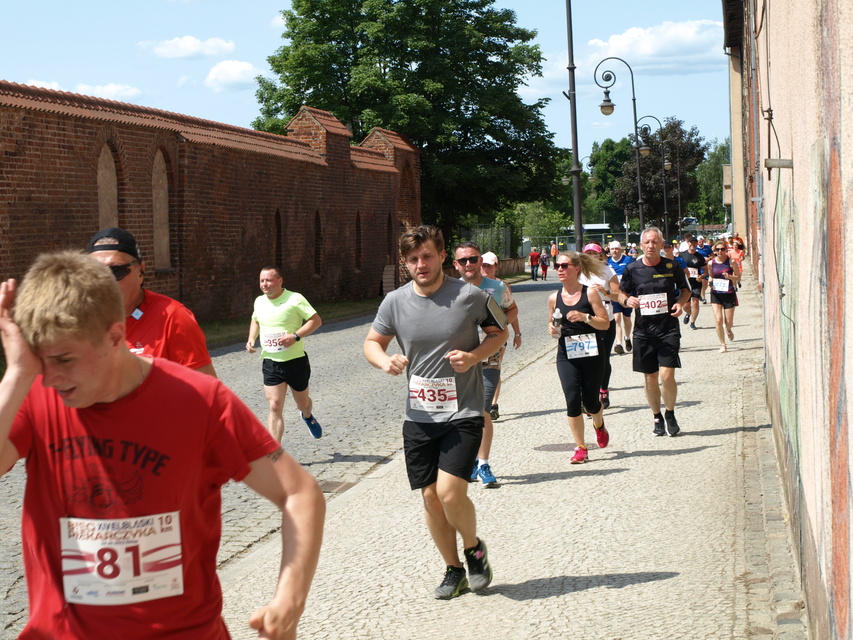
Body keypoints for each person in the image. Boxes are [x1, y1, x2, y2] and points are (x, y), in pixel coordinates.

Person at [0, 251, 325, 640]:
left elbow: (299, 493)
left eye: (65, 359)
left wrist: (289, 601)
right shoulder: (34, 394)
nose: (51, 379)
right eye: (40, 361)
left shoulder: (199, 399)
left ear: (115, 336)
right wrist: (18, 373)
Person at [364, 225, 506, 599]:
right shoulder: (394, 302)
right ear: (405, 263)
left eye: (427, 256)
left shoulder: (469, 296)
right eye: (413, 259)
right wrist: (384, 361)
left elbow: (499, 332)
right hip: (419, 416)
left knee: (449, 492)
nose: (420, 264)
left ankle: (474, 548)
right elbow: (372, 342)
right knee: (429, 498)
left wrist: (474, 356)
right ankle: (453, 569)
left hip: (463, 411)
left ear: (443, 256)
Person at [86, 228, 216, 377]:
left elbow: (205, 394)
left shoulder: (173, 318)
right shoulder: (77, 321)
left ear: (140, 271)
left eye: (116, 270)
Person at [454, 243, 519, 487]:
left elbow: (512, 308)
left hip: (490, 356)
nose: (468, 264)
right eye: (463, 261)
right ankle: (469, 459)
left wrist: (501, 326)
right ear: (456, 265)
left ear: (480, 261)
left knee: (482, 410)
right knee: (463, 412)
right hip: (461, 358)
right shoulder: (451, 290)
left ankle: (483, 463)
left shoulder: (497, 287)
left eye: (473, 259)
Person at [617, 227, 691, 437]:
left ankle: (670, 412)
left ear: (661, 244)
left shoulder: (672, 266)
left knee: (667, 376)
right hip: (643, 332)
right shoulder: (632, 269)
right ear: (641, 245)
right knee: (650, 378)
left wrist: (680, 303)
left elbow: (685, 290)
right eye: (647, 242)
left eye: (655, 242)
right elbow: (621, 294)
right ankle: (656, 415)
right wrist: (627, 300)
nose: (651, 246)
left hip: (668, 328)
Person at [247, 266, 323, 442]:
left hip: (296, 362)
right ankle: (275, 455)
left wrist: (295, 336)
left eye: (269, 280)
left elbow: (316, 321)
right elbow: (255, 320)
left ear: (280, 281)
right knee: (274, 405)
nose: (264, 284)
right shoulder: (259, 301)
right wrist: (251, 338)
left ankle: (308, 416)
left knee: (303, 403)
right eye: (262, 281)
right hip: (271, 362)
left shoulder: (295, 299)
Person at [548, 252, 611, 463]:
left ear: (576, 269)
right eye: (557, 265)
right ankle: (580, 447)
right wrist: (552, 329)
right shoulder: (553, 298)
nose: (559, 269)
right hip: (566, 354)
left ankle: (599, 423)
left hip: (592, 353)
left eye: (564, 265)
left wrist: (586, 317)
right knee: (572, 400)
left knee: (591, 404)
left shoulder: (590, 294)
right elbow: (552, 324)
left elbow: (605, 323)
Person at [480, 251, 522, 421]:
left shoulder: (501, 286)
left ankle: (492, 404)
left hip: (495, 337)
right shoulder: (467, 284)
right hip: (472, 338)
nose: (485, 268)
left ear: (496, 266)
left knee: (493, 369)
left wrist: (516, 333)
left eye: (489, 265)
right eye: (483, 264)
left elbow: (511, 310)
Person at [580, 243, 620, 409]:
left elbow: (618, 296)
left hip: (605, 318)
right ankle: (588, 396)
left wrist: (605, 292)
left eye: (594, 253)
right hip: (584, 318)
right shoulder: (578, 272)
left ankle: (603, 389)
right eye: (587, 253)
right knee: (585, 359)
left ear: (600, 255)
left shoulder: (608, 271)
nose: (591, 256)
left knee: (602, 358)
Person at [708, 241, 741, 352]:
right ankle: (723, 344)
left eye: (722, 249)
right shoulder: (711, 263)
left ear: (726, 250)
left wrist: (729, 276)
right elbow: (711, 276)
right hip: (716, 294)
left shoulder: (731, 262)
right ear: (715, 251)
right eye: (717, 249)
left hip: (729, 294)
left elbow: (738, 277)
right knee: (718, 320)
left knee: (729, 320)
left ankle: (728, 328)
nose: (720, 251)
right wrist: (710, 282)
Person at [606, 240, 635, 355]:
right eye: (612, 249)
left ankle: (627, 337)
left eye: (616, 249)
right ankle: (619, 344)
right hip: (615, 295)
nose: (614, 251)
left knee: (626, 318)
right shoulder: (608, 262)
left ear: (620, 250)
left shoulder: (628, 261)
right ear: (609, 250)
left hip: (627, 294)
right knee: (617, 318)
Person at [680, 237, 707, 330]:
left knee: (695, 302)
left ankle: (693, 322)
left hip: (696, 282)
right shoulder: (682, 255)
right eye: (691, 243)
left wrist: (702, 276)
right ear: (688, 243)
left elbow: (706, 270)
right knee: (685, 305)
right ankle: (688, 313)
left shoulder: (699, 256)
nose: (693, 244)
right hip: (685, 283)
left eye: (695, 243)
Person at [695, 235, 714, 302]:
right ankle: (703, 297)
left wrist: (709, 258)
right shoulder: (695, 248)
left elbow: (712, 255)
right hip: (698, 267)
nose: (700, 242)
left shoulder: (707, 247)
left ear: (704, 241)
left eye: (702, 240)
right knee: (702, 282)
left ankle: (701, 293)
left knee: (705, 283)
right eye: (699, 241)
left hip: (706, 266)